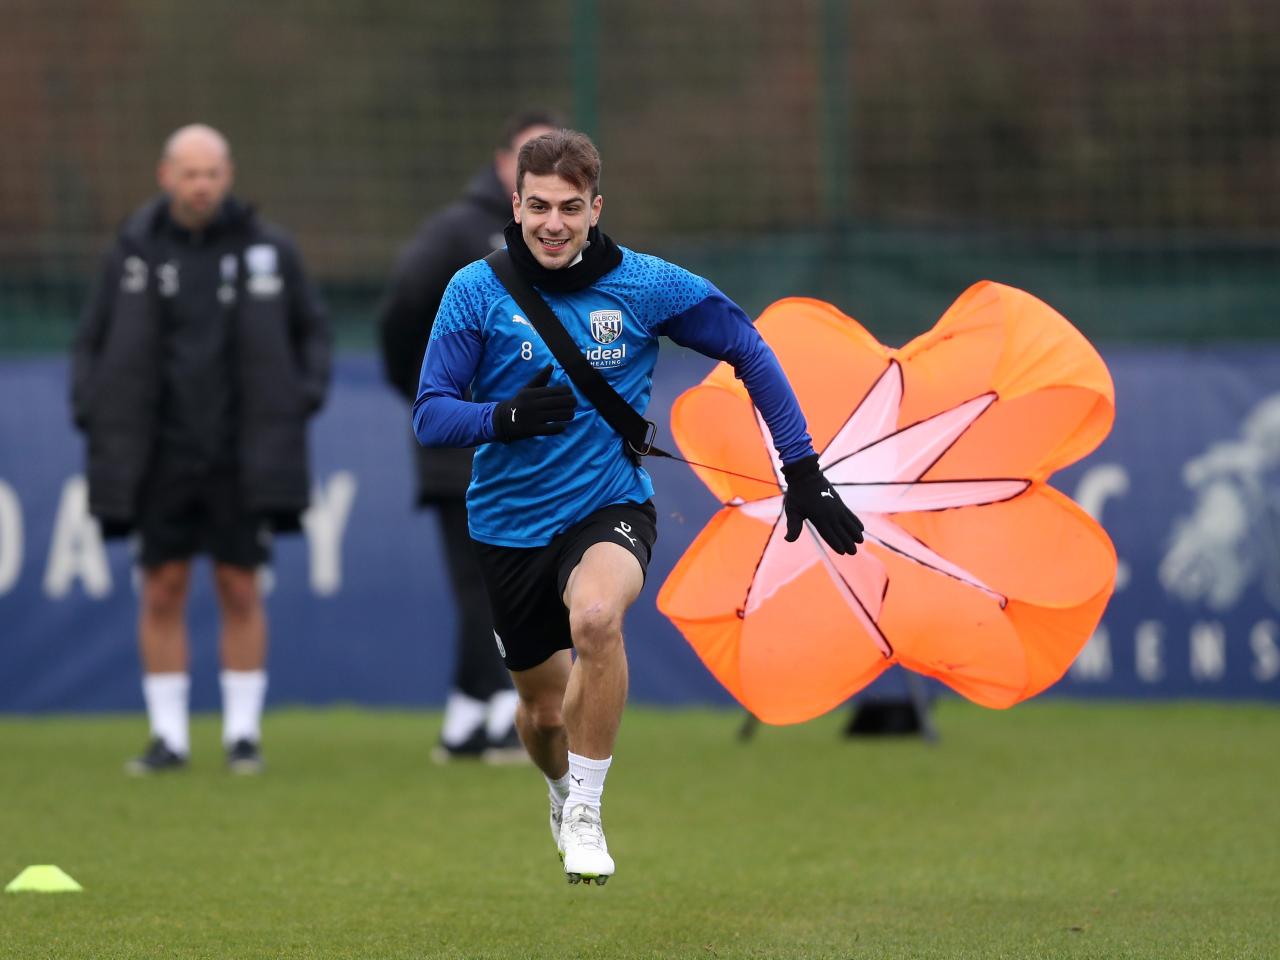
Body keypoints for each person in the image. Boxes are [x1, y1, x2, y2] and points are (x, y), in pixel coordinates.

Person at [412, 129, 864, 884]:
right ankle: (559, 789)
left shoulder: (646, 284)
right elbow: (431, 415)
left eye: (568, 207)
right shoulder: (475, 291)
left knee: (596, 619)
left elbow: (748, 347)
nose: (552, 222)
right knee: (542, 715)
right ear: (515, 205)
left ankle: (587, 811)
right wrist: (505, 417)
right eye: (537, 206)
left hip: (610, 507)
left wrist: (804, 468)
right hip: (506, 525)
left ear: (595, 209)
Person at [70, 124, 331, 776]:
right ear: (166, 176)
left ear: (228, 174)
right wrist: (92, 410)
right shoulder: (132, 251)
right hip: (159, 455)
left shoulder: (268, 249)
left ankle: (242, 736)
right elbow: (91, 343)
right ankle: (170, 739)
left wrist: (298, 400)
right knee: (162, 587)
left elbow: (314, 335)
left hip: (242, 454)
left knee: (240, 586)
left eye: (211, 172)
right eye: (189, 173)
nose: (201, 185)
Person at [378, 109, 561, 763]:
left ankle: (468, 721)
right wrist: (434, 395)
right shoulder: (458, 233)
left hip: (533, 448)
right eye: (526, 158)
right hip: (466, 446)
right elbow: (400, 312)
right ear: (500, 161)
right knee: (486, 585)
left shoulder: (560, 239)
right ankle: (482, 720)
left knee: (514, 583)